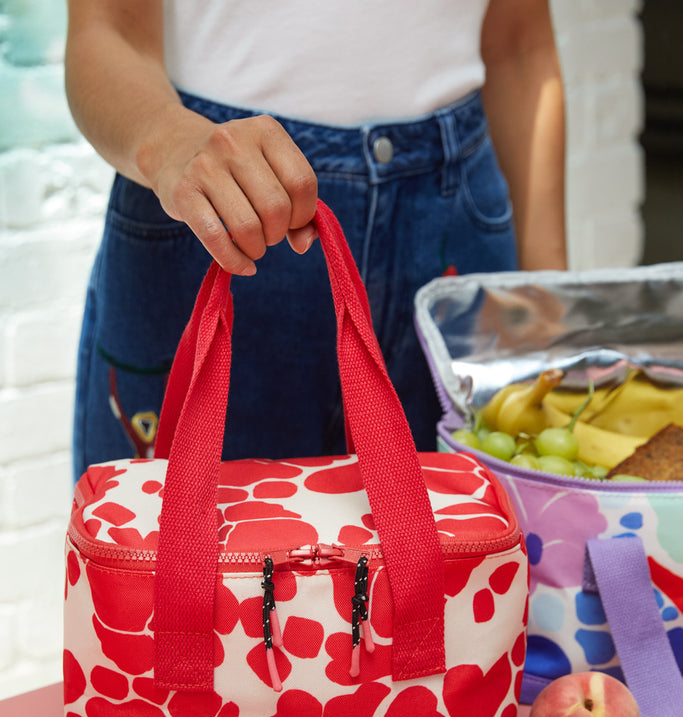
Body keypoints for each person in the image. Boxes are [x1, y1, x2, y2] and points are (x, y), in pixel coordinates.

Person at [65, 0, 567, 477]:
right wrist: (173, 142)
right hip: (216, 200)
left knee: (461, 555)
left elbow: (519, 48)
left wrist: (554, 319)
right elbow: (107, 31)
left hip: (453, 235)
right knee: (169, 551)